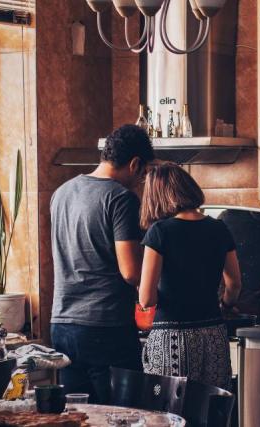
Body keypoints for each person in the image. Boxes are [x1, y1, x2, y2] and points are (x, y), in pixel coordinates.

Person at [50, 124, 154, 403]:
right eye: (143, 174)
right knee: (124, 417)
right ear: (134, 164)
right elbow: (131, 272)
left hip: (62, 325)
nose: (141, 181)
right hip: (105, 327)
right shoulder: (121, 199)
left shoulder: (61, 193)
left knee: (79, 417)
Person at [138, 162, 242, 390]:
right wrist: (225, 305)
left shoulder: (160, 232)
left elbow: (146, 298)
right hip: (213, 335)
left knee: (170, 416)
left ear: (157, 196)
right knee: (211, 411)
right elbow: (233, 284)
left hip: (172, 339)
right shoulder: (219, 228)